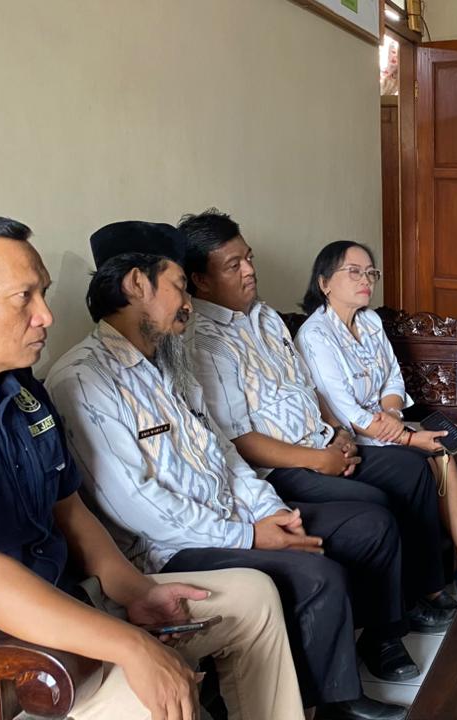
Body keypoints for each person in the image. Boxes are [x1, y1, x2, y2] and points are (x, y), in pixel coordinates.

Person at [0, 211, 303, 720]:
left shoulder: (22, 390)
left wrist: (134, 591)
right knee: (151, 695)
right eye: (23, 297)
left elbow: (71, 512)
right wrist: (129, 645)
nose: (45, 316)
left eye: (43, 293)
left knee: (253, 596)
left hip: (69, 605)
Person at [45, 222, 410, 720]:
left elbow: (224, 453)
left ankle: (359, 658)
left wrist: (270, 512)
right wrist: (249, 536)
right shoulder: (84, 379)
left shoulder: (170, 363)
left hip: (236, 518)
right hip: (171, 550)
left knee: (370, 525)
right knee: (316, 575)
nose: (188, 303)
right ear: (136, 285)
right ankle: (331, 703)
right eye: (179, 287)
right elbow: (137, 507)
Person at [179, 208, 456, 631]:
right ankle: (386, 629)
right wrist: (317, 459)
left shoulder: (266, 318)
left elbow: (309, 389)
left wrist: (340, 433)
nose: (250, 270)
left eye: (248, 258)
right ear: (200, 279)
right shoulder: (203, 340)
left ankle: (423, 590)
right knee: (376, 503)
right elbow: (238, 439)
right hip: (281, 467)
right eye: (234, 265)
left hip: (324, 444)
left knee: (411, 470)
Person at [297, 241, 457, 592]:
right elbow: (347, 412)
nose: (366, 279)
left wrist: (394, 413)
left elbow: (393, 380)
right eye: (354, 272)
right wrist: (406, 436)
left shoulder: (369, 321)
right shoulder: (315, 335)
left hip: (387, 422)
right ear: (324, 283)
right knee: (427, 461)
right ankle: (439, 581)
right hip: (349, 437)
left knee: (445, 454)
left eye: (371, 273)